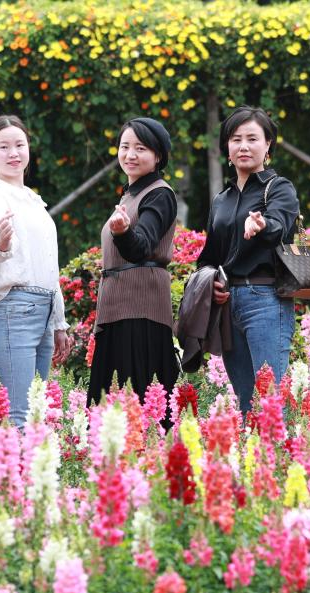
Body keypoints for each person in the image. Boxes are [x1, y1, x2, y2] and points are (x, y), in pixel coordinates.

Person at [195, 106, 299, 413]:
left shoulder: (278, 188)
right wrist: (210, 280)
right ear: (227, 147)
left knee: (270, 401)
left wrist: (262, 225)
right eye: (236, 139)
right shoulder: (221, 200)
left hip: (266, 300)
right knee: (245, 402)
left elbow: (280, 225)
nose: (243, 146)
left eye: (252, 139)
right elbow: (210, 256)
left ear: (267, 145)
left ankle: (277, 446)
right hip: (228, 304)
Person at [0, 115, 69, 426]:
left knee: (37, 415)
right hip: (14, 309)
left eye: (19, 145)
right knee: (20, 415)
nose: (13, 153)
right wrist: (1, 241)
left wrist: (59, 323)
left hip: (44, 310)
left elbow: (49, 265)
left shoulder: (33, 201)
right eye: (3, 147)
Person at [87, 117, 179, 413]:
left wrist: (123, 232)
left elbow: (141, 247)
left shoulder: (159, 194)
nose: (130, 155)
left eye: (140, 148)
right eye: (124, 147)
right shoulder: (130, 194)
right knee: (112, 407)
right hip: (118, 307)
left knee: (138, 403)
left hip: (140, 310)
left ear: (158, 155)